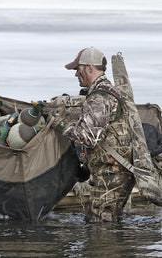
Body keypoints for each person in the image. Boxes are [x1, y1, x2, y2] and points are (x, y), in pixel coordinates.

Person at [55, 47, 135, 222]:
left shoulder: (99, 97)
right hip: (117, 171)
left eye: (78, 69)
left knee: (101, 223)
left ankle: (104, 249)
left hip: (111, 174)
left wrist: (59, 125)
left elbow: (89, 138)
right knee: (106, 219)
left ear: (89, 68)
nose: (76, 74)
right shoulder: (109, 91)